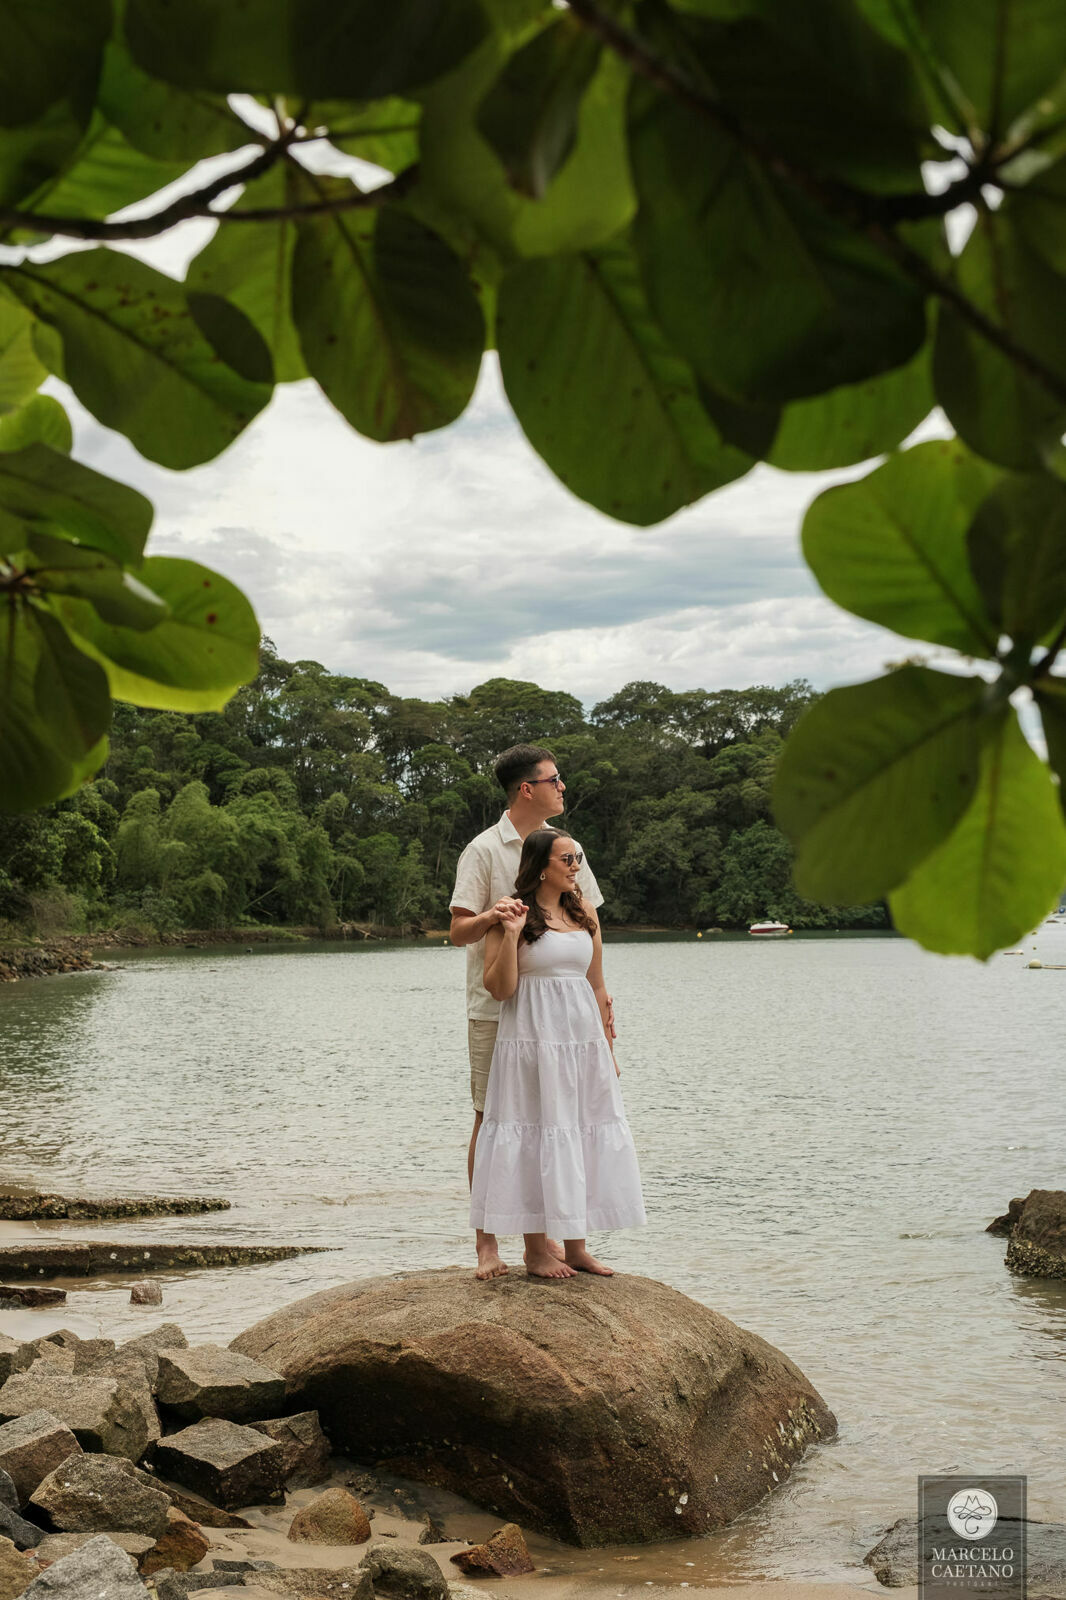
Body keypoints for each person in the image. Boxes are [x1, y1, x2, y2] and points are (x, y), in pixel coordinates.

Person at [450, 745, 608, 1281]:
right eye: (555, 779)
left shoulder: (569, 848)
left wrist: (602, 1006)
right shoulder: (484, 850)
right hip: (497, 1006)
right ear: (527, 788)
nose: (563, 787)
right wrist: (495, 916)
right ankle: (487, 1242)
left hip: (562, 1017)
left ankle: (558, 1233)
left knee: (560, 1119)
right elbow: (456, 932)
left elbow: (585, 925)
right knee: (491, 1119)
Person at [470, 828, 645, 1278]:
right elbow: (500, 989)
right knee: (535, 1133)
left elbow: (598, 982)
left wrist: (607, 1048)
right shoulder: (513, 911)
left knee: (580, 1131)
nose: (575, 866)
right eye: (567, 859)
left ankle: (577, 1245)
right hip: (530, 1039)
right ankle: (534, 1251)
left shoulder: (584, 910)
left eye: (578, 858)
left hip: (580, 1040)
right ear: (541, 865)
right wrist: (508, 934)